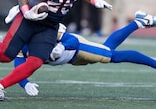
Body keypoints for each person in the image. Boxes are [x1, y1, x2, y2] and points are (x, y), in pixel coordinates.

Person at [13, 10, 156, 96]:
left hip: (78, 48)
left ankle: (153, 61)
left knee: (112, 55)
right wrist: (25, 84)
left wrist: (62, 47)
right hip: (72, 60)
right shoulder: (21, 42)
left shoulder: (47, 29)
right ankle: (139, 22)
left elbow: (73, 41)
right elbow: (18, 67)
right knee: (107, 49)